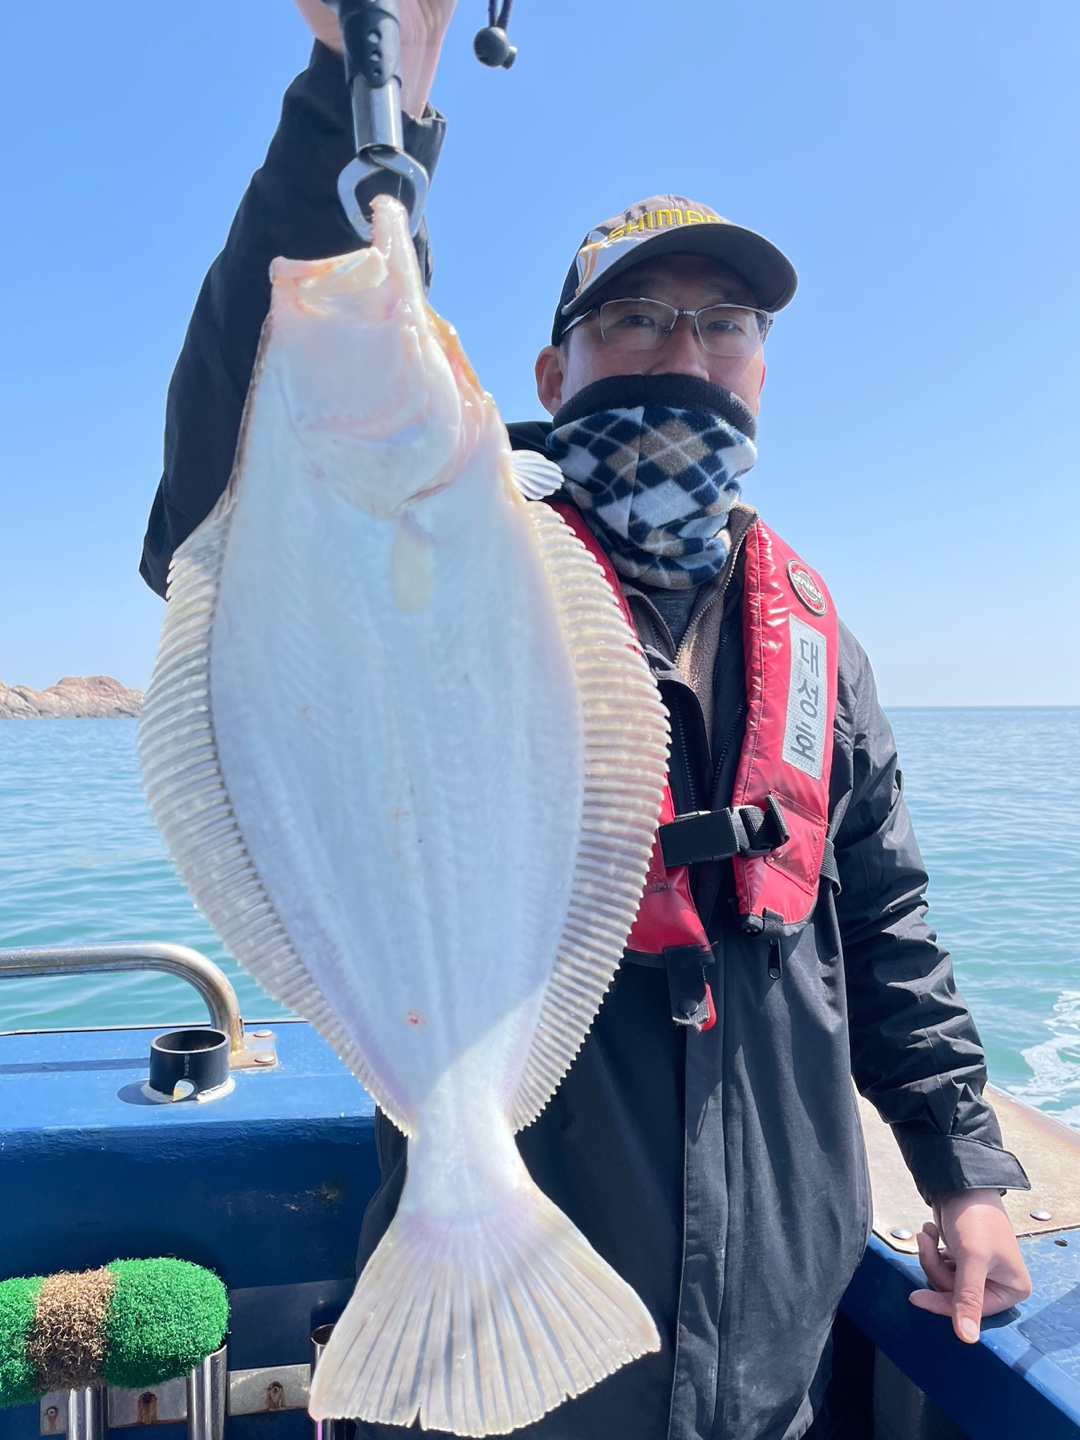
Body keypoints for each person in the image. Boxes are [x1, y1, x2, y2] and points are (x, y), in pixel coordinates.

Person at [139, 4, 1033, 1437]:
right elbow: (246, 430)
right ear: (549, 373)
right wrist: (361, 93)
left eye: (725, 324)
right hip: (512, 1351)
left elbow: (884, 929)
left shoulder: (818, 645)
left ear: (763, 367)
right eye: (633, 317)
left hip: (769, 1359)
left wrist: (965, 1170)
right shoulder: (459, 544)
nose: (685, 348)